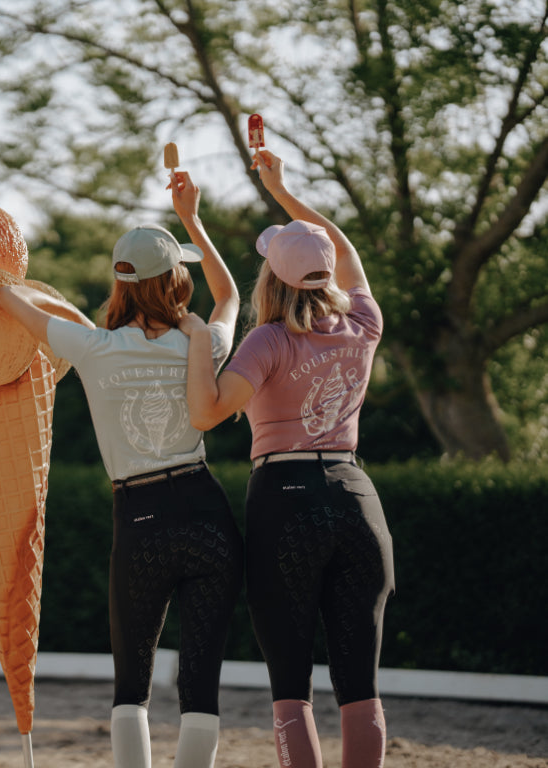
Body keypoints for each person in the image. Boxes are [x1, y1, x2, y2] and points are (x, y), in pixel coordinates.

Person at [0, 170, 242, 768]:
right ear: (175, 280)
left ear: (120, 280)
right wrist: (193, 220)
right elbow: (232, 296)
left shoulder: (89, 346)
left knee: (130, 683)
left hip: (141, 518)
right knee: (200, 682)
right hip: (207, 511)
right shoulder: (201, 342)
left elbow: (8, 298)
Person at [180, 149, 394, 768]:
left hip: (285, 499)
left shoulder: (268, 339)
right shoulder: (364, 319)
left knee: (290, 686)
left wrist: (200, 343)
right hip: (357, 497)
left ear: (270, 277)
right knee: (360, 684)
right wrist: (286, 193)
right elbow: (345, 250)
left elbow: (206, 412)